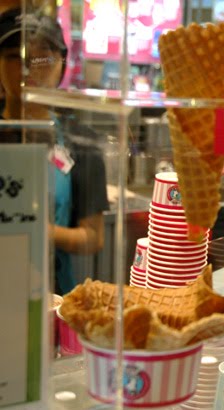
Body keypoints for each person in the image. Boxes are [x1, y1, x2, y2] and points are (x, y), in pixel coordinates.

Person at [0, 8, 109, 294]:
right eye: (14, 56)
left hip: (53, 294)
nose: (28, 67)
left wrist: (36, 229)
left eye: (43, 56)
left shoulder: (80, 142)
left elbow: (94, 236)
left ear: (62, 63)